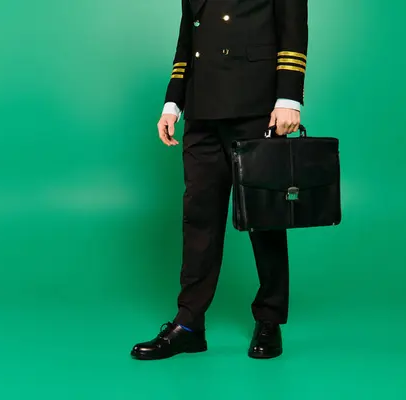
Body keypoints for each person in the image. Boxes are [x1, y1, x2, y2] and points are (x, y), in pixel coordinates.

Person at [131, 0, 308, 360]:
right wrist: (173, 103)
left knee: (264, 217)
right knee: (199, 216)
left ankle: (269, 319)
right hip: (202, 108)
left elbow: (293, 27)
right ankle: (190, 324)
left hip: (257, 106)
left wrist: (289, 96)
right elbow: (188, 39)